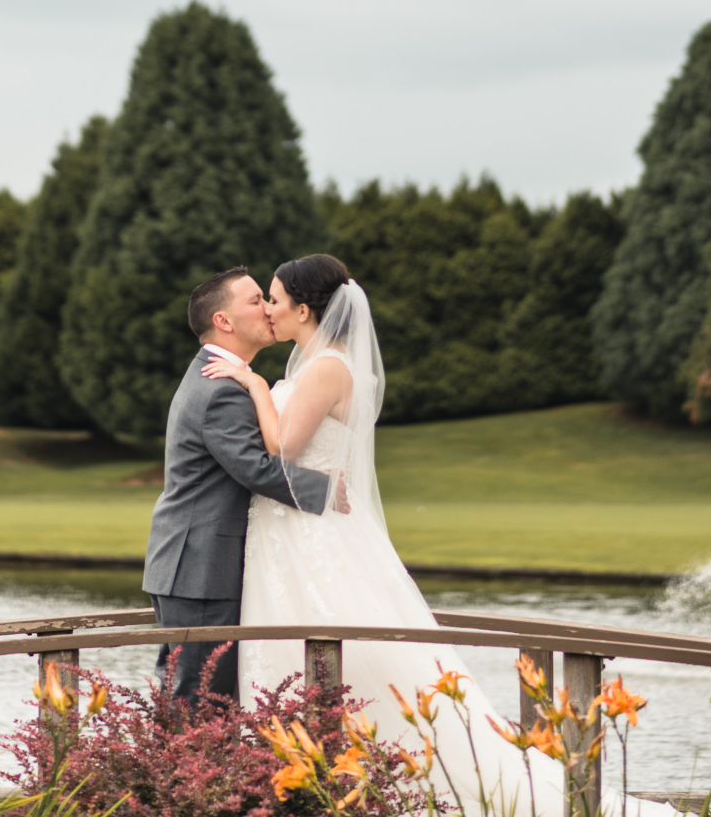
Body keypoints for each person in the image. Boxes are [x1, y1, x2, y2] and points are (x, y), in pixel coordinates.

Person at [202, 255, 520, 811]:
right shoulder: (313, 360)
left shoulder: (327, 366)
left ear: (304, 309)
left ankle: (350, 779)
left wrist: (253, 383)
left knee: (331, 644)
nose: (269, 310)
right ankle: (300, 781)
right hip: (293, 529)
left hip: (309, 534)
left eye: (274, 299)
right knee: (291, 647)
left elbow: (282, 448)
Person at [142, 266, 336, 707]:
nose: (268, 310)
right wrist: (328, 491)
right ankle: (178, 778)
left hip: (192, 565)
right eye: (255, 301)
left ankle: (173, 775)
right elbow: (256, 469)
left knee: (192, 694)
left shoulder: (222, 377)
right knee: (198, 700)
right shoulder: (220, 389)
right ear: (223, 321)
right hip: (201, 568)